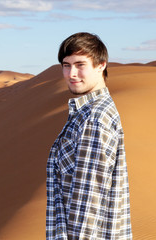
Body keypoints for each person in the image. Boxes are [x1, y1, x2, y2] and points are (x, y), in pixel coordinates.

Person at [46, 32, 132, 239]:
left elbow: (88, 201)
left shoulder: (94, 118)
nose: (71, 74)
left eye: (80, 64)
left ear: (101, 65)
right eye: (66, 65)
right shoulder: (89, 112)